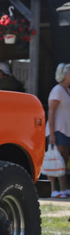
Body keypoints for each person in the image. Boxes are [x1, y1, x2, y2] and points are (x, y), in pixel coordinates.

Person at [47, 63, 70, 197]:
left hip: (66, 130)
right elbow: (51, 112)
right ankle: (52, 190)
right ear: (65, 75)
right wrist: (52, 134)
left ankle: (63, 188)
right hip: (58, 130)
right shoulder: (57, 90)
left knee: (63, 159)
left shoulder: (67, 90)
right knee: (55, 159)